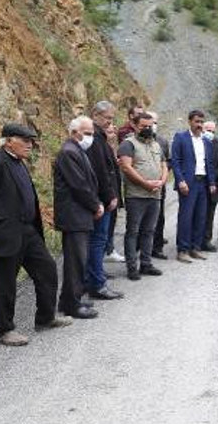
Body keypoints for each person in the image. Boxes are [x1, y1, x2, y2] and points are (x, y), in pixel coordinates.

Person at [0, 123, 73, 346]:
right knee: (5, 282)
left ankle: (45, 318)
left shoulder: (18, 162)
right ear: (8, 141)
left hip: (28, 230)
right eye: (24, 140)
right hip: (5, 233)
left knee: (47, 269)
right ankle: (4, 330)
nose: (30, 144)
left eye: (31, 140)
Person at [53, 116, 101, 320]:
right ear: (74, 132)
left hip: (79, 214)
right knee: (76, 261)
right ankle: (73, 304)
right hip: (74, 215)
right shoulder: (69, 152)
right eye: (87, 133)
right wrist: (95, 205)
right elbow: (79, 185)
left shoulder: (76, 151)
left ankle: (69, 299)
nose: (90, 137)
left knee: (77, 259)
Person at [118, 112, 167, 278]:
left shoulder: (156, 144)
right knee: (133, 232)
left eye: (150, 126)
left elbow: (164, 165)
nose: (147, 129)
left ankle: (146, 264)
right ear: (134, 125)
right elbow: (126, 167)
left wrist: (162, 181)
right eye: (143, 126)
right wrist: (145, 184)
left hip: (155, 194)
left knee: (149, 230)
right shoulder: (127, 144)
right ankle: (132, 267)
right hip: (136, 195)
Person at [86, 101, 124, 300]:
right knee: (97, 241)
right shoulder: (94, 139)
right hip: (101, 199)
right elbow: (101, 171)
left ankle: (93, 277)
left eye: (112, 118)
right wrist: (110, 196)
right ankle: (97, 283)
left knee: (97, 241)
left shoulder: (100, 138)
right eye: (107, 118)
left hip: (101, 198)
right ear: (95, 115)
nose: (110, 122)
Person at [171, 110, 217, 263]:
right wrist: (180, 180)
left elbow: (209, 164)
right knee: (186, 216)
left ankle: (195, 247)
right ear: (190, 121)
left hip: (203, 183)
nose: (199, 125)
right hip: (188, 183)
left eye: (201, 122)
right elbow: (175, 161)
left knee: (200, 216)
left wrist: (211, 183)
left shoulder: (206, 142)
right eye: (196, 121)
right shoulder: (180, 138)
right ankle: (183, 249)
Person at [150, 111, 171, 260]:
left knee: (160, 217)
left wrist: (162, 179)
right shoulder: (131, 141)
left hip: (160, 186)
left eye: (155, 122)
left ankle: (157, 248)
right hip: (141, 186)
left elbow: (168, 162)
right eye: (151, 122)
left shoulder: (163, 141)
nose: (153, 126)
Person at [103, 123, 124, 263]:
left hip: (114, 191)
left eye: (113, 125)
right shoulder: (97, 146)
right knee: (103, 228)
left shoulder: (111, 146)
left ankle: (109, 249)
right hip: (105, 194)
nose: (113, 128)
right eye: (108, 125)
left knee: (111, 223)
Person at [200, 120, 218, 252]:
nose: (210, 133)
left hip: (213, 184)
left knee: (210, 213)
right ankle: (193, 240)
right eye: (208, 130)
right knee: (197, 213)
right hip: (199, 183)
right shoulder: (197, 143)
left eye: (213, 131)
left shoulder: (217, 144)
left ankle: (206, 240)